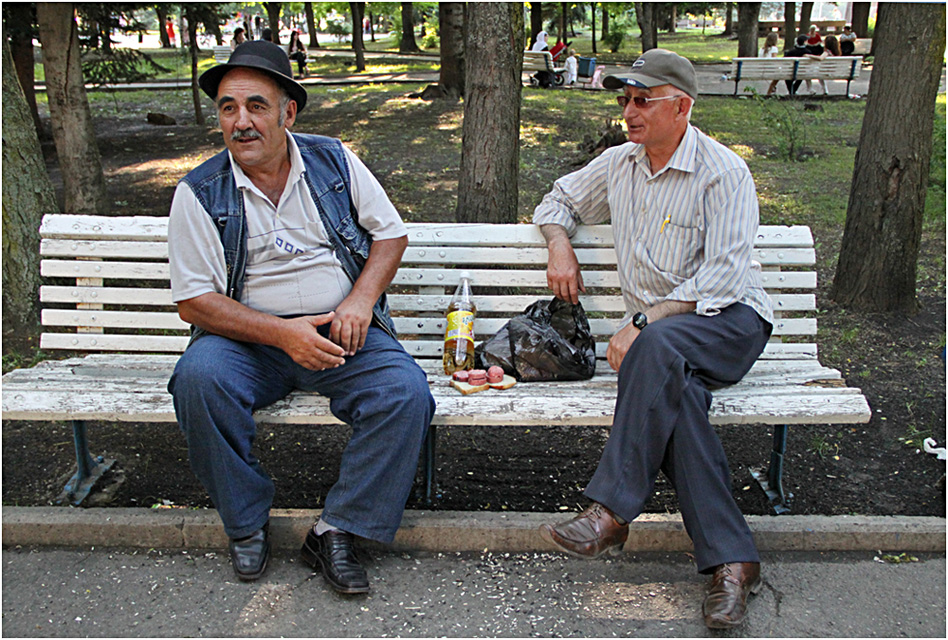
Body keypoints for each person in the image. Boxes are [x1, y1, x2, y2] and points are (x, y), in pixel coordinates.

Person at [167, 41, 435, 592]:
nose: (241, 122)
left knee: (405, 394)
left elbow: (390, 234)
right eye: (227, 107)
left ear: (288, 112)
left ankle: (338, 529)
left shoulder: (333, 160)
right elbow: (195, 302)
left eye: (257, 106)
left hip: (340, 329)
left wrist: (360, 301)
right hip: (247, 342)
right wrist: (282, 335)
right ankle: (245, 524)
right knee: (197, 379)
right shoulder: (198, 191)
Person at [532, 49, 774, 630]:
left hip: (730, 323)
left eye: (643, 100)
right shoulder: (620, 164)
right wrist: (559, 245)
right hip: (664, 344)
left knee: (656, 348)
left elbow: (723, 277)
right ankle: (733, 564)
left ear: (681, 106)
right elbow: (557, 199)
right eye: (624, 100)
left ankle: (612, 508)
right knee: (680, 399)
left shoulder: (722, 171)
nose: (629, 112)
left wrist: (643, 322)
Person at [759, 31, 780, 96]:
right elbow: (774, 60)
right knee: (779, 74)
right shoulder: (774, 48)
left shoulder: (761, 49)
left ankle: (771, 89)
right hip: (770, 69)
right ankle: (770, 90)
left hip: (761, 69)